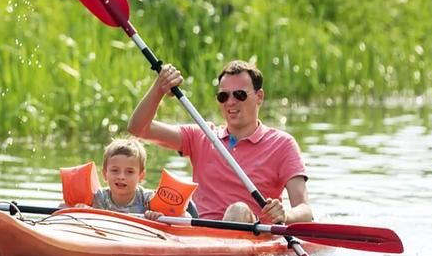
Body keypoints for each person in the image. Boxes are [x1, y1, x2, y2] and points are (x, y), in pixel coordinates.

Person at [127, 60, 312, 225]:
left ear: (259, 96)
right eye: (223, 96)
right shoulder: (202, 134)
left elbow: (305, 210)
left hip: (253, 237)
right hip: (201, 237)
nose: (230, 102)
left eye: (239, 95)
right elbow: (138, 128)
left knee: (238, 210)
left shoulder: (282, 144)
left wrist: (284, 214)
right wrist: (159, 89)